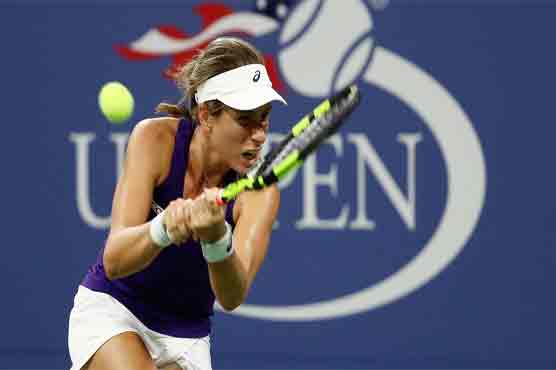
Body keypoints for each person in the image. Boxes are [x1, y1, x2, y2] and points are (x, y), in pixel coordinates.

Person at [67, 37, 286, 370]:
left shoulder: (261, 192)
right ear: (206, 115)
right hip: (115, 310)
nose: (258, 135)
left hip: (186, 336)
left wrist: (217, 239)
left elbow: (231, 296)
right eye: (245, 119)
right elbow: (115, 259)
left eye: (264, 118)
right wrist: (165, 227)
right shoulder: (154, 140)